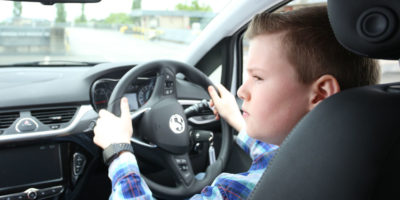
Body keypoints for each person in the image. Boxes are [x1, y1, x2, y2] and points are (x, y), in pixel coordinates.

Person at [93, 5, 380, 200]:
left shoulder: (252, 188)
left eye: (257, 78)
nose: (242, 91)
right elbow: (275, 155)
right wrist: (238, 120)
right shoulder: (357, 156)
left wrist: (119, 151)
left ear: (320, 94)